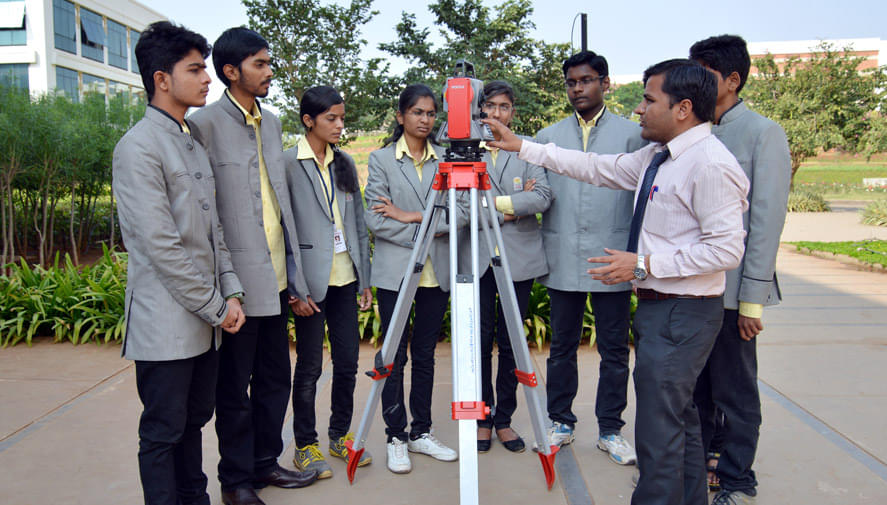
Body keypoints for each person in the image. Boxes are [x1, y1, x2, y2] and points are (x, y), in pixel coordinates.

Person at [484, 59, 750, 505]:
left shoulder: (708, 164)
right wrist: (525, 147)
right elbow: (596, 167)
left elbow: (726, 251)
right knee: (677, 420)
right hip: (661, 307)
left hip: (683, 311)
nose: (639, 109)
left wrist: (643, 264)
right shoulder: (658, 156)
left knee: (658, 433)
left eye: (649, 100)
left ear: (683, 108)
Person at [113, 21, 246, 505]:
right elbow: (160, 246)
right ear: (161, 78)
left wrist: (231, 291)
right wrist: (217, 306)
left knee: (194, 422)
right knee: (164, 432)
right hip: (166, 324)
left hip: (205, 320)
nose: (207, 78)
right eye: (195, 70)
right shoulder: (139, 147)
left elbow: (215, 234)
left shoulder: (190, 139)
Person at [189, 27, 318, 505]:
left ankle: (266, 463)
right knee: (234, 390)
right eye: (260, 64)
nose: (269, 71)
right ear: (231, 71)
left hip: (278, 276)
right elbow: (205, 211)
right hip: (236, 287)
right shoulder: (204, 124)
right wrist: (225, 287)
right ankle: (236, 480)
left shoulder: (274, 121)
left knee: (273, 382)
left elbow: (279, 203)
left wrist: (296, 278)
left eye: (268, 63)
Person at [689, 34, 792, 505]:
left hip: (732, 293)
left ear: (732, 79)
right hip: (691, 289)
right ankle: (705, 462)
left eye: (704, 73)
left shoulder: (762, 133)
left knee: (735, 390)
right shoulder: (692, 128)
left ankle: (736, 480)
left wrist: (751, 299)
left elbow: (765, 223)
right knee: (696, 388)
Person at [535, 51, 646, 465]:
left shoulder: (633, 135)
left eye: (585, 80)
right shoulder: (548, 136)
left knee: (615, 350)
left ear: (605, 83)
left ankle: (611, 429)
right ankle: (559, 422)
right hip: (564, 255)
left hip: (611, 257)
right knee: (562, 346)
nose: (577, 89)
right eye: (571, 82)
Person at [364, 84, 465, 474]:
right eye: (418, 112)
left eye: (431, 113)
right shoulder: (382, 160)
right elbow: (375, 219)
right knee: (394, 357)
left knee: (425, 356)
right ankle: (396, 436)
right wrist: (430, 229)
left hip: (436, 274)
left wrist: (410, 216)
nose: (425, 120)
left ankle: (421, 431)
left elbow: (462, 214)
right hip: (396, 275)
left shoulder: (448, 160)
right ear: (401, 116)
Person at [283, 85, 374, 479]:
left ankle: (340, 435)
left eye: (342, 118)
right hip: (309, 282)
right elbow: (282, 229)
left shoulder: (345, 164)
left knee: (349, 362)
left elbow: (357, 224)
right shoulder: (288, 164)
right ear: (308, 120)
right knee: (308, 367)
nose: (339, 125)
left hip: (346, 278)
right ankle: (305, 445)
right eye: (331, 118)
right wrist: (293, 287)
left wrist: (364, 279)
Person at [465, 80, 552, 454]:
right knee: (480, 341)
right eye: (488, 107)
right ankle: (483, 417)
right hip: (479, 256)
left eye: (503, 107)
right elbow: (460, 205)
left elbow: (543, 197)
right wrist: (515, 205)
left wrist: (492, 205)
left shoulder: (528, 149)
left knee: (513, 341)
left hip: (519, 260)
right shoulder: (467, 149)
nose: (495, 114)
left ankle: (505, 419)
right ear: (478, 111)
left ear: (512, 112)